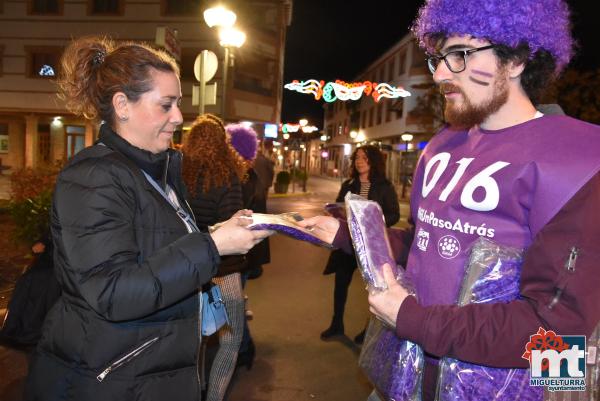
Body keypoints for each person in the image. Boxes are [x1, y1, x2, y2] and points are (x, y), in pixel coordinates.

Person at [299, 0, 600, 399]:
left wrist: (414, 319)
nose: (441, 73)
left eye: (460, 55)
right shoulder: (441, 146)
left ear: (517, 60)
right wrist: (347, 234)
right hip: (408, 379)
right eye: (439, 57)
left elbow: (561, 333)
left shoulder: (576, 161)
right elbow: (424, 247)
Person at [25, 36, 271, 401]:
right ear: (122, 105)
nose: (177, 118)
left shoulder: (155, 171)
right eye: (165, 105)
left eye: (178, 105)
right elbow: (113, 291)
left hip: (144, 372)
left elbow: (156, 248)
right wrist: (211, 245)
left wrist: (218, 232)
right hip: (109, 378)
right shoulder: (94, 177)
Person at [182, 115, 256, 401]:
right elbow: (231, 227)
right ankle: (213, 396)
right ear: (222, 144)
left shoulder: (178, 175)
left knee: (196, 339)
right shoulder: (228, 177)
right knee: (230, 338)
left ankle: (194, 392)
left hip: (188, 266)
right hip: (223, 269)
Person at [320, 145, 399, 343]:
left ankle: (368, 330)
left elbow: (394, 214)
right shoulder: (349, 185)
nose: (359, 161)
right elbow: (339, 206)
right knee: (340, 285)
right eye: (357, 157)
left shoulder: (384, 187)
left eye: (364, 158)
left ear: (373, 161)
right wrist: (333, 212)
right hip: (348, 244)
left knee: (374, 290)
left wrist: (373, 223)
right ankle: (336, 324)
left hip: (371, 247)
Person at [244, 139, 275, 279]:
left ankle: (253, 266)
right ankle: (254, 265)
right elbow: (271, 172)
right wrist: (268, 183)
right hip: (260, 189)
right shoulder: (262, 161)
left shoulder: (247, 172)